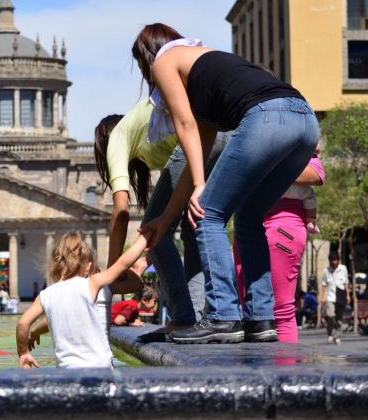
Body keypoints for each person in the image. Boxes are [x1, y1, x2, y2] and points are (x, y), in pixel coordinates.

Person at [135, 23, 319, 344]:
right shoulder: (208, 74)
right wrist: (166, 219)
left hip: (267, 117)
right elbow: (198, 151)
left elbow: (185, 125)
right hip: (305, 120)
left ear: (145, 56)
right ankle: (260, 319)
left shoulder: (165, 59)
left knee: (208, 214)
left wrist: (200, 188)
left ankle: (222, 316)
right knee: (249, 217)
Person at [94, 103, 231, 333]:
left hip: (199, 135)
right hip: (223, 134)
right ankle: (193, 319)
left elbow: (121, 211)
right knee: (193, 228)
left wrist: (112, 270)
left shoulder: (118, 136)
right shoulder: (148, 137)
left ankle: (183, 317)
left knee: (153, 230)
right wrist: (143, 261)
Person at [16, 232, 150, 369]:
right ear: (87, 267)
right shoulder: (92, 284)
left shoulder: (45, 295)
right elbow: (122, 263)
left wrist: (23, 353)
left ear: (53, 266)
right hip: (99, 368)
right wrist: (144, 238)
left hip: (67, 371)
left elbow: (23, 323)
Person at [234, 153, 325, 343]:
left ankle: (284, 364)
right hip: (246, 222)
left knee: (280, 312)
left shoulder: (295, 137)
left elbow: (316, 173)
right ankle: (256, 363)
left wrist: (268, 166)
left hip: (282, 220)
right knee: (251, 311)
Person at [322, 251, 350, 345]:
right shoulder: (326, 271)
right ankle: (330, 333)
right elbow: (324, 284)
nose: (334, 262)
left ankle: (337, 336)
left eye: (335, 260)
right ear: (329, 261)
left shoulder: (343, 269)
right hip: (330, 296)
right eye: (332, 260)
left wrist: (348, 295)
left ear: (338, 260)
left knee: (339, 318)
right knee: (330, 315)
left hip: (341, 296)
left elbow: (346, 283)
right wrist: (322, 297)